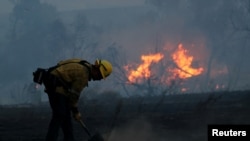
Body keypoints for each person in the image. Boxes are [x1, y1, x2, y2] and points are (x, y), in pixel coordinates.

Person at [35, 58, 112, 141]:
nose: (99, 79)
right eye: (100, 76)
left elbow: (61, 64)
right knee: (60, 114)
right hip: (55, 86)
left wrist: (72, 108)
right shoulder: (83, 75)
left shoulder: (84, 64)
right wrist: (76, 112)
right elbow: (74, 95)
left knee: (66, 116)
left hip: (57, 84)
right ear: (97, 69)